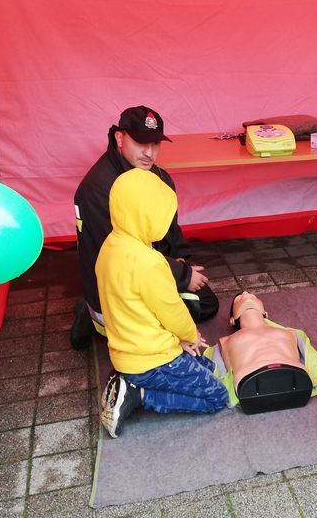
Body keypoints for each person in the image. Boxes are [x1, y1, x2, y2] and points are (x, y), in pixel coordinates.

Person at [71, 105, 218, 349]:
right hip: (117, 283)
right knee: (172, 317)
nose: (149, 153)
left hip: (147, 268)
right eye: (141, 143)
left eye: (155, 143)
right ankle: (91, 316)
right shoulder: (99, 188)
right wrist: (181, 276)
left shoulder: (157, 176)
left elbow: (170, 228)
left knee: (205, 302)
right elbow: (120, 256)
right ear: (120, 138)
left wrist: (182, 261)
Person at [97, 168, 228, 439]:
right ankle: (138, 395)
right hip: (152, 361)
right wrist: (190, 335)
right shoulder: (149, 262)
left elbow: (138, 310)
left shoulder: (109, 247)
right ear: (145, 215)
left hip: (128, 351)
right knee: (217, 396)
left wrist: (178, 342)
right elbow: (172, 311)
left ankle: (129, 381)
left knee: (208, 367)